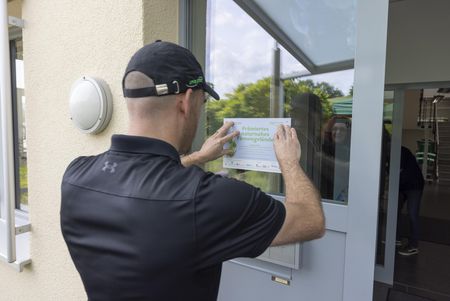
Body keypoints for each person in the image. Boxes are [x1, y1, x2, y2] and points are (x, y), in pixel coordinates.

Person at [60, 41, 325, 301]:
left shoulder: (75, 177)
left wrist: (198, 157)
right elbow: (310, 220)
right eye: (203, 100)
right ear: (186, 102)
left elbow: (141, 186)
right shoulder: (206, 199)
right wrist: (289, 162)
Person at [397, 146, 424, 256]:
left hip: (414, 185)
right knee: (395, 210)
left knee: (412, 214)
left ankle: (414, 245)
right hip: (403, 185)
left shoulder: (400, 152)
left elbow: (398, 172)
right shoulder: (390, 150)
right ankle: (396, 238)